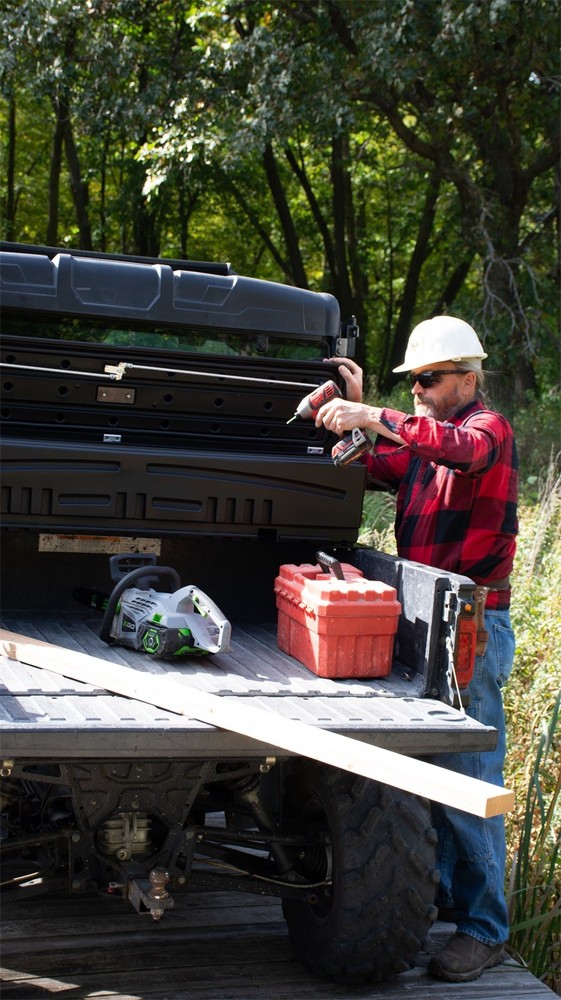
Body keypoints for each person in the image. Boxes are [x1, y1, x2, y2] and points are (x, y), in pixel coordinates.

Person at [315, 315, 518, 983]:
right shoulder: (429, 445)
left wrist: (372, 411)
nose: (421, 390)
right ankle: (440, 900)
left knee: (468, 781)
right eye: (415, 382)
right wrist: (343, 417)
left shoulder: (485, 431)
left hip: (473, 627)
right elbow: (373, 462)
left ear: (468, 377)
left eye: (430, 379)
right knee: (428, 778)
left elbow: (455, 448)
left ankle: (484, 930)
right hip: (430, 621)